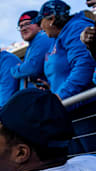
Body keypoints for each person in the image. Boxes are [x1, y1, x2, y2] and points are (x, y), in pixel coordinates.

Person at [32, 0, 96, 154]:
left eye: (41, 22)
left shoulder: (75, 28)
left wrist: (60, 96)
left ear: (51, 19)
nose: (40, 27)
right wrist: (50, 87)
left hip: (84, 108)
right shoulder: (57, 38)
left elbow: (83, 66)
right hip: (68, 110)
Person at [11, 10, 53, 89]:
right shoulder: (32, 45)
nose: (23, 28)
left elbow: (32, 68)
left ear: (39, 24)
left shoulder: (43, 37)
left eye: (27, 24)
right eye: (21, 26)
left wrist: (15, 70)